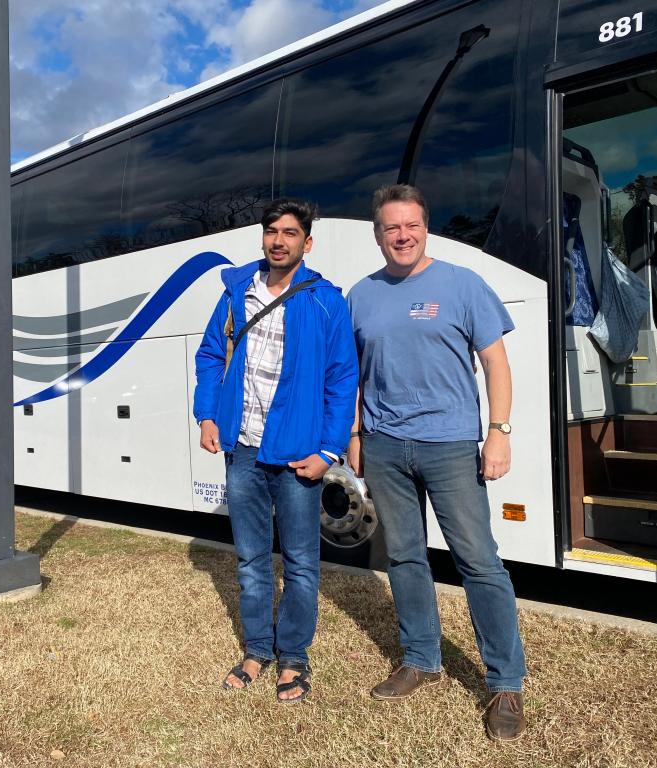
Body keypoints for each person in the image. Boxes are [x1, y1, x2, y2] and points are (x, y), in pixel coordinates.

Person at [346, 184, 528, 740]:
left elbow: (496, 363)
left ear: (426, 228)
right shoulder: (361, 295)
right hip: (383, 445)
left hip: (450, 445)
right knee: (403, 557)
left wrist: (498, 433)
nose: (402, 236)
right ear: (377, 234)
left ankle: (505, 682)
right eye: (390, 228)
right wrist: (354, 432)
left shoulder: (461, 284)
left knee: (478, 561)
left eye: (411, 226)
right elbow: (351, 373)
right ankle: (420, 658)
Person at [194, 198, 358, 703]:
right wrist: (206, 414)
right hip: (241, 448)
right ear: (263, 238)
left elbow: (341, 379)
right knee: (250, 559)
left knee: (302, 563)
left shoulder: (326, 301)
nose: (278, 240)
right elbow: (207, 357)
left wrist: (329, 450)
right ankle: (257, 650)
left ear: (306, 243)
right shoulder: (234, 293)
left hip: (296, 454)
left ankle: (294, 658)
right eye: (271, 231)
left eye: (290, 233)